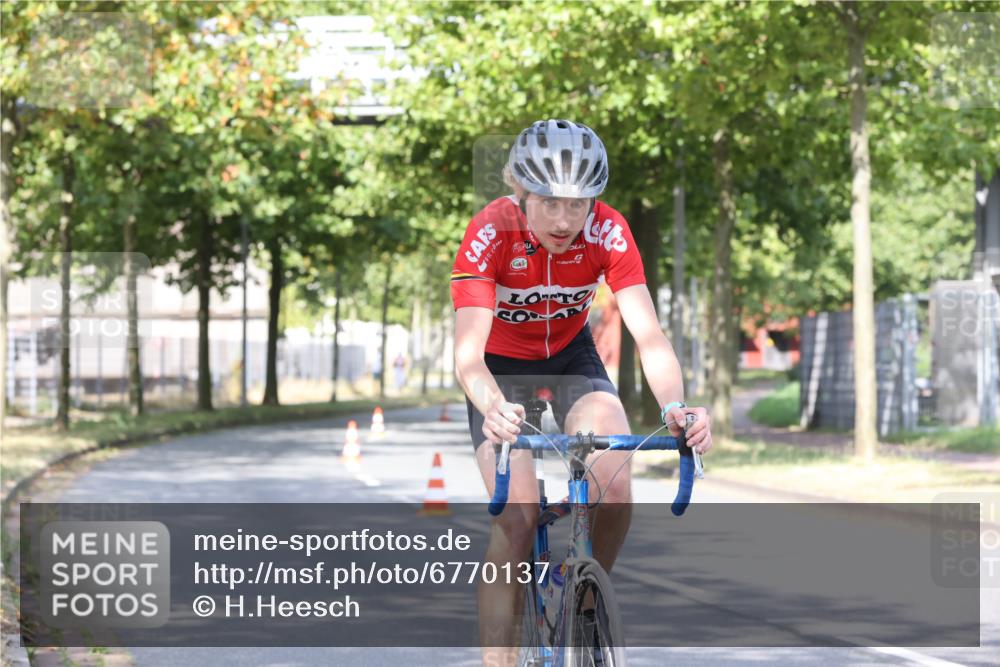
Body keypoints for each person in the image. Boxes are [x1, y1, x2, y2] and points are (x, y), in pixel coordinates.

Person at [451, 119, 713, 666]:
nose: (567, 220)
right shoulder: (489, 231)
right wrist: (492, 408)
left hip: (572, 359)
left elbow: (649, 334)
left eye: (581, 204)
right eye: (550, 203)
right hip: (500, 371)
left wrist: (675, 406)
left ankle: (588, 592)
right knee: (517, 520)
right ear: (520, 191)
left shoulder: (609, 230)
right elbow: (468, 354)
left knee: (614, 480)